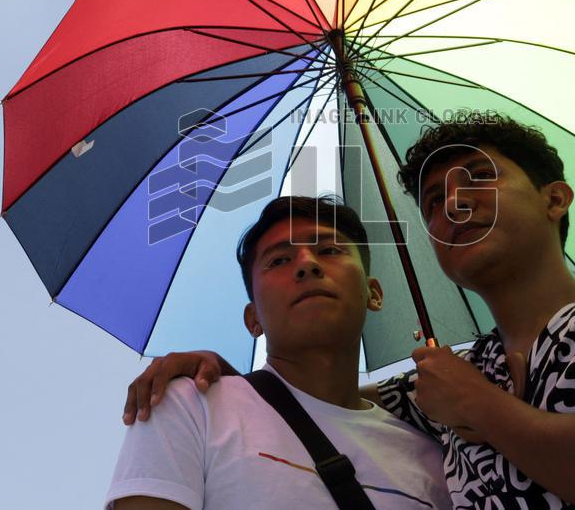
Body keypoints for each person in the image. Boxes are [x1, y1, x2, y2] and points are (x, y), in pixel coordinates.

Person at [123, 113, 575, 509]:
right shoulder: (438, 388)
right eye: (434, 200)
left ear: (555, 198)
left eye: (478, 178)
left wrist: (476, 406)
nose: (454, 205)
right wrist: (222, 379)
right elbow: (320, 396)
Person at [106, 195, 451, 510]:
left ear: (373, 294)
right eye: (279, 260)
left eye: (330, 250)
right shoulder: (190, 405)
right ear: (253, 318)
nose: (307, 265)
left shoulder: (438, 457)